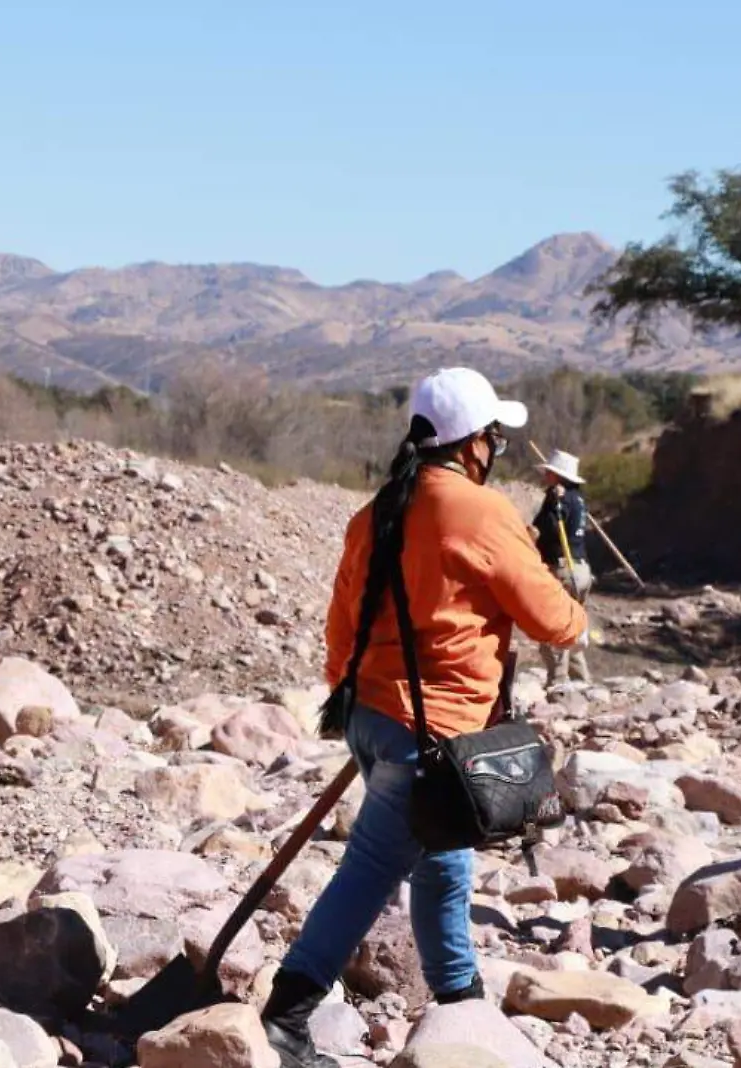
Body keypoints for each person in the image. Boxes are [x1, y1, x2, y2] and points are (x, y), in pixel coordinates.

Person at [260, 368, 588, 1068]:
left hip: (376, 718)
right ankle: (286, 1015)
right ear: (473, 444)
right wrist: (573, 604)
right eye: (495, 436)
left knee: (445, 861)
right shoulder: (482, 511)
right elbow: (556, 623)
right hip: (434, 731)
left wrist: (366, 709)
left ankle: (461, 1007)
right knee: (373, 868)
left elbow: (341, 627)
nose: (496, 448)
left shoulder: (377, 510)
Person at [531, 448, 595, 686]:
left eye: (549, 471)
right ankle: (582, 683)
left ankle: (556, 686)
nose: (545, 474)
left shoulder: (558, 500)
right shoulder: (577, 499)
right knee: (573, 626)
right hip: (581, 569)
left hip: (562, 569)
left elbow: (539, 531)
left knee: (554, 628)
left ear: (557, 475)